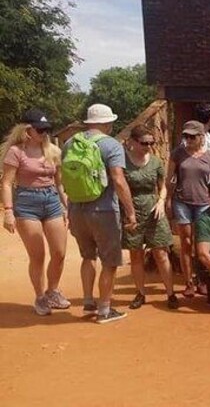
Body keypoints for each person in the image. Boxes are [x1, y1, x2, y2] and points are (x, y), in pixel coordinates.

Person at [63, 104, 136, 323]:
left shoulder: (69, 143)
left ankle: (88, 300)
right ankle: (105, 309)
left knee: (87, 255)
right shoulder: (111, 145)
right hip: (103, 210)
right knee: (110, 261)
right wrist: (130, 212)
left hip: (77, 208)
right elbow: (118, 180)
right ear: (107, 123)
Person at [1, 108, 71, 315]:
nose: (44, 133)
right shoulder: (16, 152)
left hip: (51, 201)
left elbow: (60, 184)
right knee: (38, 255)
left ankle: (53, 291)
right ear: (27, 130)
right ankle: (40, 297)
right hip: (27, 202)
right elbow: (6, 183)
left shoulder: (53, 152)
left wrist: (66, 206)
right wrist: (8, 212)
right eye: (40, 130)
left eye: (46, 129)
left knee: (59, 252)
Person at [122, 125, 177, 310]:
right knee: (136, 254)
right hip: (132, 209)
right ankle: (140, 293)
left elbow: (163, 185)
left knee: (161, 252)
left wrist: (161, 201)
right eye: (144, 143)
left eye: (151, 143)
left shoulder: (155, 161)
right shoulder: (123, 162)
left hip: (154, 209)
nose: (148, 146)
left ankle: (170, 293)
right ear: (133, 142)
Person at [166, 120, 210, 297]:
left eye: (192, 136)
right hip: (182, 201)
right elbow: (169, 179)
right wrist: (167, 199)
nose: (188, 139)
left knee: (201, 244)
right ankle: (189, 281)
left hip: (204, 203)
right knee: (186, 242)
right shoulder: (177, 154)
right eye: (186, 136)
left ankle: (203, 280)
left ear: (201, 137)